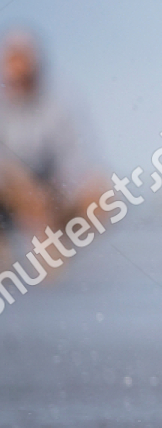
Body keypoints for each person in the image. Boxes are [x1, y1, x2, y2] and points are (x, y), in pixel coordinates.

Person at [0, 28, 109, 266]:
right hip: (8, 194)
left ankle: (56, 242)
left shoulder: (61, 101)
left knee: (103, 196)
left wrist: (54, 192)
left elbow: (78, 157)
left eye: (24, 60)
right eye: (12, 60)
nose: (18, 69)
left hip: (50, 194)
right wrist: (22, 188)